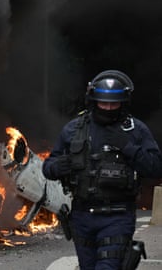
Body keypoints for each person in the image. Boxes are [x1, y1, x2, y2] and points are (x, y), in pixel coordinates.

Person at [42, 70, 162, 270]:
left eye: (113, 104)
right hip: (82, 217)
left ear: (123, 103)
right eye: (103, 103)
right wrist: (57, 167)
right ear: (93, 101)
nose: (108, 108)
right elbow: (48, 167)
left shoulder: (134, 130)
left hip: (118, 216)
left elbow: (155, 167)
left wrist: (129, 147)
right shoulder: (74, 129)